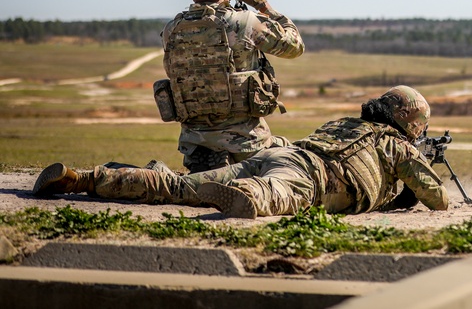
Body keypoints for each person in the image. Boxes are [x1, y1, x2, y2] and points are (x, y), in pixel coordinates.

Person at [33, 86, 449, 218]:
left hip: (280, 153)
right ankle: (251, 196)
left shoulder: (347, 123)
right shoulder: (395, 144)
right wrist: (418, 172)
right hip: (310, 175)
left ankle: (85, 178)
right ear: (410, 122)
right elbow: (439, 200)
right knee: (276, 195)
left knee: (179, 186)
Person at [155, 0, 305, 172]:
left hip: (194, 146)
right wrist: (261, 3)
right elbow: (295, 47)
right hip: (247, 144)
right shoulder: (244, 22)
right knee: (299, 157)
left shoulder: (171, 29)